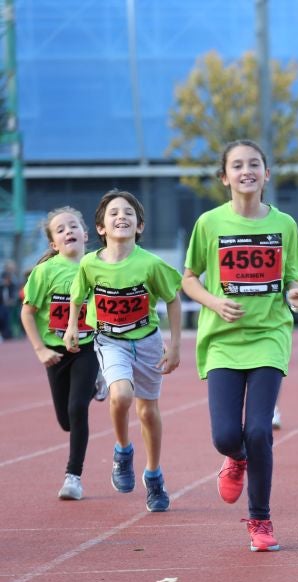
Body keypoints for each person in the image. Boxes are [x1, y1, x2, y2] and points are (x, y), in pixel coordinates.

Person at [182, 140, 298, 552]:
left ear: (266, 174)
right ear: (225, 177)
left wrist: (296, 294)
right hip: (222, 341)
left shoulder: (284, 225)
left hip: (269, 335)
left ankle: (260, 519)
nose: (246, 170)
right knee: (225, 436)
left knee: (259, 430)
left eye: (254, 163)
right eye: (237, 165)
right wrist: (214, 302)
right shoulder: (209, 223)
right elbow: (188, 279)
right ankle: (234, 458)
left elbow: (295, 277)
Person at [63, 189, 182, 513]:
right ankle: (123, 449)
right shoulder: (90, 264)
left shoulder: (150, 264)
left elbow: (172, 299)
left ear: (139, 225)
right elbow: (77, 295)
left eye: (129, 213)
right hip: (109, 339)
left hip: (145, 341)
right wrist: (73, 326)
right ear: (100, 227)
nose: (121, 217)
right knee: (121, 396)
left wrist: (174, 345)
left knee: (147, 411)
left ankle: (154, 475)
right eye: (114, 212)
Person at [21, 207, 99, 500]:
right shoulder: (45, 272)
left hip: (87, 346)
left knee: (78, 409)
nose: (69, 231)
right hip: (55, 351)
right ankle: (95, 386)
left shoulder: (96, 266)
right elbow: (27, 314)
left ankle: (73, 477)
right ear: (54, 243)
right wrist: (40, 349)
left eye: (73, 226)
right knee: (66, 420)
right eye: (61, 230)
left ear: (85, 233)